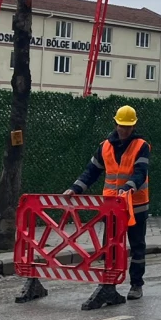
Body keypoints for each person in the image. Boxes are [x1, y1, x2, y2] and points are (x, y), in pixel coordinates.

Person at [64, 104, 151, 309]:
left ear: (134, 126)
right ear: (116, 124)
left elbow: (141, 171)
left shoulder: (141, 146)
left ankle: (136, 285)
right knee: (110, 248)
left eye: (128, 126)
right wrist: (75, 188)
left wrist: (129, 187)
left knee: (137, 246)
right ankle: (108, 284)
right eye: (122, 126)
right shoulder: (105, 146)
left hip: (135, 205)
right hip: (111, 206)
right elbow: (91, 171)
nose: (124, 130)